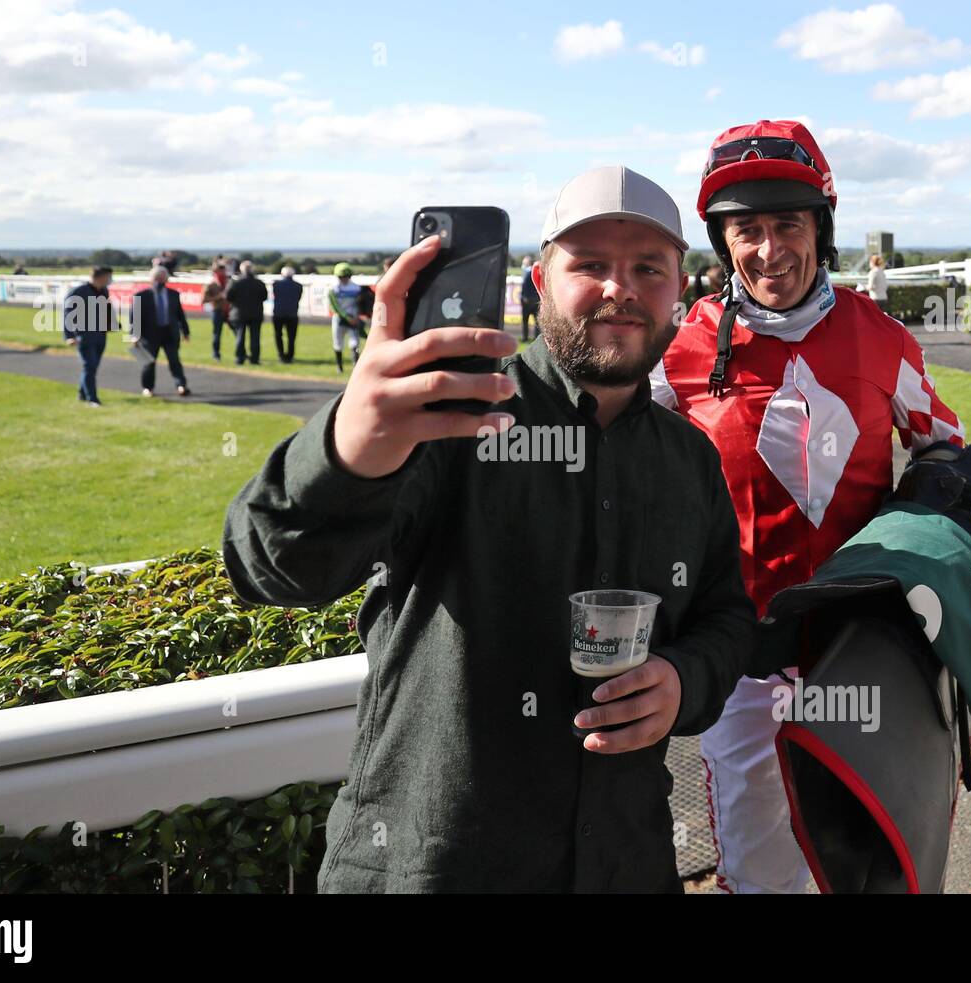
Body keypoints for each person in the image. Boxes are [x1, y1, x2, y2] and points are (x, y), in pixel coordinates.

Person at [222, 165, 761, 892]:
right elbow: (271, 569)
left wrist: (680, 678)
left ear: (679, 289)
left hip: (627, 864)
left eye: (647, 268)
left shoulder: (689, 458)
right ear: (538, 282)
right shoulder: (447, 421)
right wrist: (350, 446)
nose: (618, 288)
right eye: (591, 264)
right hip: (433, 867)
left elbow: (727, 618)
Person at [649, 119, 965, 894]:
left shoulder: (883, 338)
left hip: (863, 655)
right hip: (739, 660)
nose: (767, 249)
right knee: (758, 873)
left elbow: (945, 451)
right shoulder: (678, 352)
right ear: (722, 243)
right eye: (745, 229)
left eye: (786, 224)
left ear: (819, 228)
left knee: (870, 869)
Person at [63, 265, 120, 406]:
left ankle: (83, 394)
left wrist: (112, 324)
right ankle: (92, 399)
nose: (110, 280)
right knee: (89, 366)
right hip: (84, 335)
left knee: (93, 367)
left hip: (100, 335)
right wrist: (69, 336)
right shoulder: (78, 292)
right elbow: (68, 314)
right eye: (108, 277)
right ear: (100, 277)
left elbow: (107, 309)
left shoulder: (103, 291)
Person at [132, 266, 191, 397]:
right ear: (151, 279)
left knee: (174, 361)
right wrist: (134, 336)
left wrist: (186, 332)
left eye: (162, 278)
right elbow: (134, 317)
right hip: (149, 335)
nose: (159, 281)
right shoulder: (140, 296)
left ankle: (181, 384)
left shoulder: (173, 294)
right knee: (149, 362)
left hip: (170, 334)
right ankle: (148, 387)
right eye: (157, 278)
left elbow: (180, 315)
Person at [225, 260, 268, 365]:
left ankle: (240, 358)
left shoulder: (235, 283)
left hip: (239, 313)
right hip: (255, 313)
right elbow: (264, 297)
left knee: (240, 336)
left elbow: (228, 297)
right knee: (255, 337)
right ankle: (255, 359)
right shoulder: (259, 283)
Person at [326, 262, 364, 373]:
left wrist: (356, 317)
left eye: (346, 276)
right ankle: (339, 366)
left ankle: (355, 366)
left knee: (355, 342)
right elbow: (334, 307)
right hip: (340, 319)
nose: (344, 279)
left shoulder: (357, 288)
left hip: (352, 318)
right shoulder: (333, 289)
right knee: (338, 343)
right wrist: (347, 318)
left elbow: (360, 304)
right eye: (341, 277)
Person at [272, 265, 304, 363]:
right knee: (291, 337)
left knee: (278, 335)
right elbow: (298, 297)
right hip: (292, 314)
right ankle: (290, 356)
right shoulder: (298, 286)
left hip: (278, 313)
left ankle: (281, 355)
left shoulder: (276, 284)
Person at [201, 262, 231, 361]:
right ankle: (216, 354)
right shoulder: (211, 284)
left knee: (238, 332)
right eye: (220, 270)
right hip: (217, 311)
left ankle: (241, 353)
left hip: (229, 311)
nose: (223, 272)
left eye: (224, 270)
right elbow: (204, 300)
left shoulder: (228, 282)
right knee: (217, 334)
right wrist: (218, 297)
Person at [520, 254, 540, 341]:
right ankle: (536, 338)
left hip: (527, 301)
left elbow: (525, 287)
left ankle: (525, 338)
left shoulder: (527, 273)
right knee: (537, 322)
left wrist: (523, 297)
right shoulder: (535, 272)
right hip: (536, 300)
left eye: (524, 262)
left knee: (526, 321)